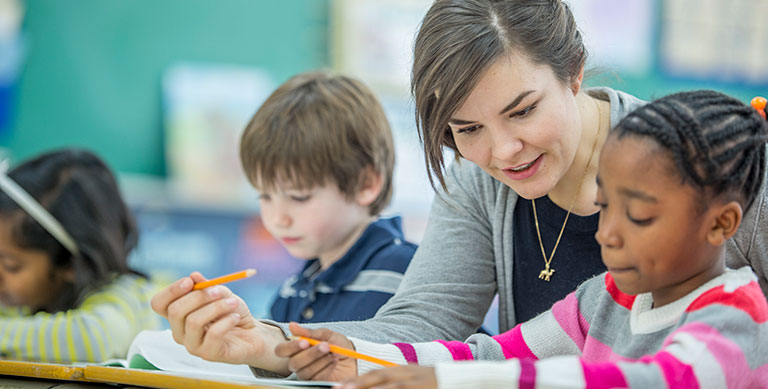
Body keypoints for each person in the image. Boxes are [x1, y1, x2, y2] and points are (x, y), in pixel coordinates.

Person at [149, 0, 767, 376]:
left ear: (574, 72)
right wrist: (268, 341)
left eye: (523, 111)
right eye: (466, 129)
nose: (500, 152)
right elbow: (427, 334)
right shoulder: (479, 184)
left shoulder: (708, 159)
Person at [280, 89, 768, 388]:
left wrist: (454, 383)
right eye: (605, 207)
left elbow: (642, 382)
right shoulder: (604, 297)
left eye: (637, 215)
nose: (606, 234)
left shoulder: (737, 318)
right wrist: (354, 358)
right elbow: (489, 353)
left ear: (722, 224)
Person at [206, 71, 415, 325]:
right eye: (265, 195)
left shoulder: (409, 277)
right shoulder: (294, 289)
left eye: (299, 197)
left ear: (366, 184)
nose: (277, 219)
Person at [0, 148, 163, 363]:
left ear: (71, 265)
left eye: (11, 265)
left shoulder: (127, 298)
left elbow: (93, 339)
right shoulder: (20, 304)